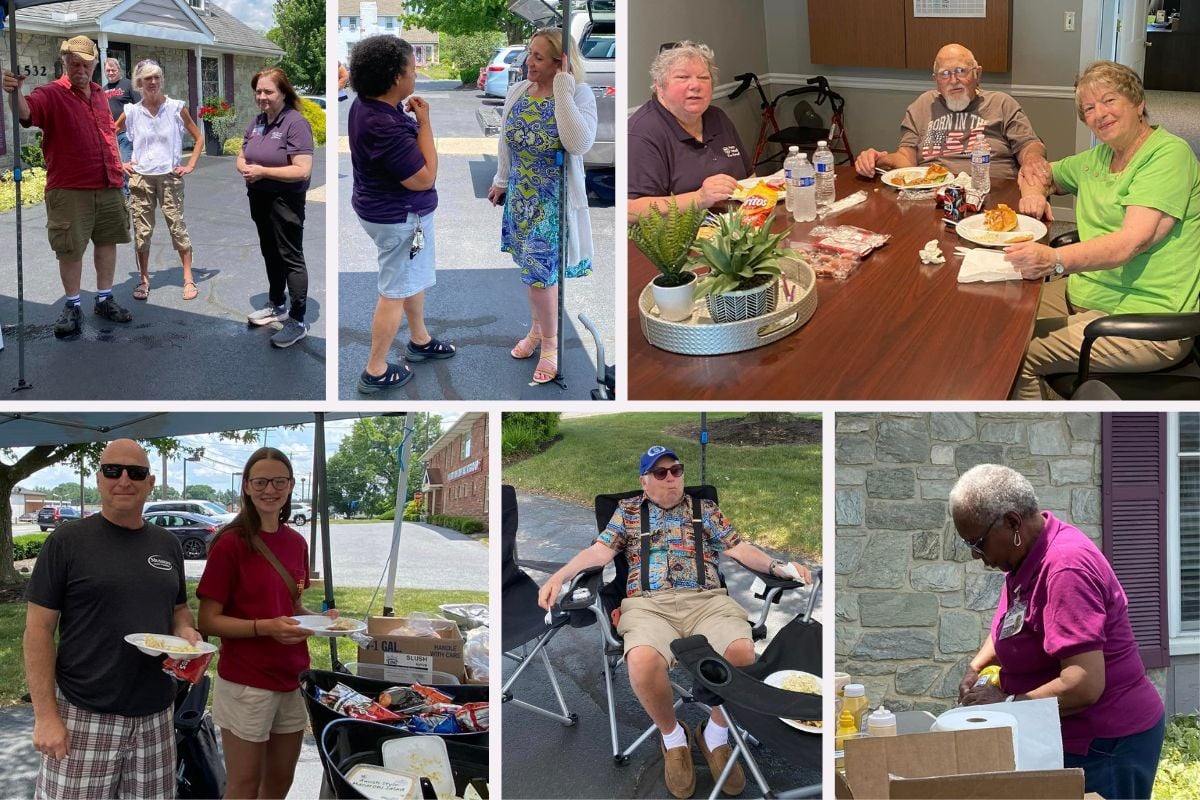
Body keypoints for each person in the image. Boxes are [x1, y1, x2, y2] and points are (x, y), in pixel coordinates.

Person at [537, 445, 813, 800]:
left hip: (707, 600)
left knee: (741, 653)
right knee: (642, 661)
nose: (671, 478)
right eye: (660, 473)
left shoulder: (705, 510)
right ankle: (673, 737)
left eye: (676, 470)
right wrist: (559, 577)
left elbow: (739, 549)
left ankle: (714, 736)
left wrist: (779, 567)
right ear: (644, 481)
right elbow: (599, 553)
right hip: (648, 606)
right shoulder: (629, 512)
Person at [950, 464, 1165, 800]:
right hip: (1062, 735)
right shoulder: (1024, 558)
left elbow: (1083, 684)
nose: (978, 556)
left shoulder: (1066, 568)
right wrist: (976, 666)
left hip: (1105, 744)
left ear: (1012, 523)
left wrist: (1005, 704)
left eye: (978, 543)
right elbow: (1011, 625)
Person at [1005, 60, 1200, 399]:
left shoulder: (1169, 156)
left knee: (1013, 357)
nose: (1100, 114)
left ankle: (1050, 439)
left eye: (1110, 100)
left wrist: (1054, 259)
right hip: (1085, 292)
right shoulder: (1098, 158)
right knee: (1000, 317)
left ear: (1138, 103)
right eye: (1089, 108)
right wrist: (1035, 193)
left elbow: (1130, 243)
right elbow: (1037, 171)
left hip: (1146, 320)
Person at [24, 439, 200, 798]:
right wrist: (45, 716)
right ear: (99, 478)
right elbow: (38, 630)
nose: (124, 480)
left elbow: (179, 608)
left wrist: (185, 631)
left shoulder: (167, 544)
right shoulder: (67, 541)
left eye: (135, 473)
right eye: (112, 470)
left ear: (150, 483)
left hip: (155, 714)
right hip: (84, 712)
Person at [197, 447, 335, 799]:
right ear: (246, 486)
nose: (269, 489)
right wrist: (266, 627)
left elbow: (292, 604)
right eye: (260, 481)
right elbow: (208, 620)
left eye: (278, 481)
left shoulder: (296, 542)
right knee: (243, 786)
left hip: (291, 678)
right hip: (247, 683)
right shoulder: (230, 544)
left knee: (278, 782)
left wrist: (321, 621)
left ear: (291, 486)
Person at [2, 36, 134, 339]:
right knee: (70, 249)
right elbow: (25, 112)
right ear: (65, 63)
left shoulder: (101, 94)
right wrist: (14, 92)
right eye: (75, 63)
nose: (81, 69)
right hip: (71, 188)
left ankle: (104, 298)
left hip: (109, 182)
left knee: (107, 241)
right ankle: (73, 305)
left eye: (87, 64)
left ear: (94, 65)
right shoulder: (51, 93)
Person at [488, 27, 597, 385]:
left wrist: (563, 88)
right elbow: (507, 140)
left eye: (537, 56)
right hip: (522, 196)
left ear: (560, 62)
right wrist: (501, 180)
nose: (528, 62)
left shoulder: (579, 94)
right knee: (531, 272)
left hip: (553, 201)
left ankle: (549, 345)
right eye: (529, 54)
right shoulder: (520, 90)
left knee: (541, 276)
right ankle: (537, 330)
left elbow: (578, 142)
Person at [349, 35, 456, 394]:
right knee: (394, 290)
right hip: (399, 217)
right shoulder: (383, 124)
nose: (417, 73)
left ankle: (420, 340)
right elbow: (425, 177)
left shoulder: (369, 105)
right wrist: (425, 123)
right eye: (413, 68)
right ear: (397, 78)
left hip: (384, 211)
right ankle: (375, 369)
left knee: (411, 278)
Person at [854, 43, 1050, 183]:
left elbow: (1029, 144)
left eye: (961, 71)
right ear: (936, 80)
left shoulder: (1001, 103)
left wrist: (1032, 158)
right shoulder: (922, 106)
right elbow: (906, 159)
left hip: (991, 190)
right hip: (931, 195)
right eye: (945, 74)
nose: (953, 80)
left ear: (977, 74)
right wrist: (879, 159)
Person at [628, 41, 750, 222]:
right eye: (682, 77)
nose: (695, 85)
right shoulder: (642, 132)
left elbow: (749, 177)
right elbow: (630, 209)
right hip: (677, 242)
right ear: (659, 86)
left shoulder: (718, 117)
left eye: (703, 78)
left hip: (738, 228)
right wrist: (699, 198)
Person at [115, 59, 204, 302]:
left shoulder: (176, 108)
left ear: (161, 80)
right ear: (139, 82)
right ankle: (144, 279)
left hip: (169, 177)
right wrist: (120, 163)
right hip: (141, 178)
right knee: (142, 232)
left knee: (177, 227)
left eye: (156, 77)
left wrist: (190, 165)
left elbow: (198, 138)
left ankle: (188, 278)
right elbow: (109, 134)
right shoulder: (131, 112)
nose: (153, 82)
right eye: (147, 78)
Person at [238, 67, 314, 348]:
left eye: (268, 91)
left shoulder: (295, 123)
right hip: (258, 197)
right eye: (258, 91)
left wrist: (263, 172)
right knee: (270, 252)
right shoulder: (257, 121)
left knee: (290, 256)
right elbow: (243, 154)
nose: (262, 96)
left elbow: (302, 170)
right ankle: (277, 304)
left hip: (285, 202)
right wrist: (244, 167)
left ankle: (297, 320)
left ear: (283, 92)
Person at [102, 57, 139, 198]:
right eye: (108, 70)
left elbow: (138, 106)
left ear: (119, 70)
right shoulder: (103, 89)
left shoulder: (128, 85)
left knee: (126, 165)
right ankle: (122, 195)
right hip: (111, 134)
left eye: (113, 70)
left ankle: (129, 195)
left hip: (126, 133)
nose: (110, 73)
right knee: (116, 166)